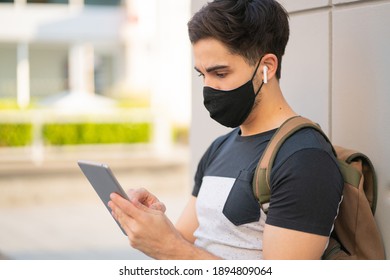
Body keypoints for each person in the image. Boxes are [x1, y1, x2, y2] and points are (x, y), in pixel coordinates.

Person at [108, 0, 343, 260]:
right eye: (202, 75)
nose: (208, 89)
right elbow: (184, 243)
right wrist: (155, 225)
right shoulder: (220, 147)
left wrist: (171, 248)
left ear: (267, 67)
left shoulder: (305, 159)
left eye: (220, 74)